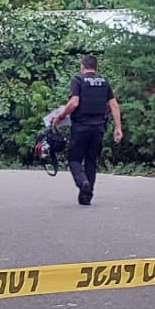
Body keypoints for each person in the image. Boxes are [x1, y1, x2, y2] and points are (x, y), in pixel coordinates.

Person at [51, 54, 123, 206]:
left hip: (81, 127)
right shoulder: (104, 82)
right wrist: (118, 128)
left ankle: (83, 182)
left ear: (82, 67)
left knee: (74, 159)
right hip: (98, 128)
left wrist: (61, 116)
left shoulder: (78, 80)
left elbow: (74, 102)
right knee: (91, 161)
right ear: (95, 67)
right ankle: (86, 197)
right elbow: (114, 105)